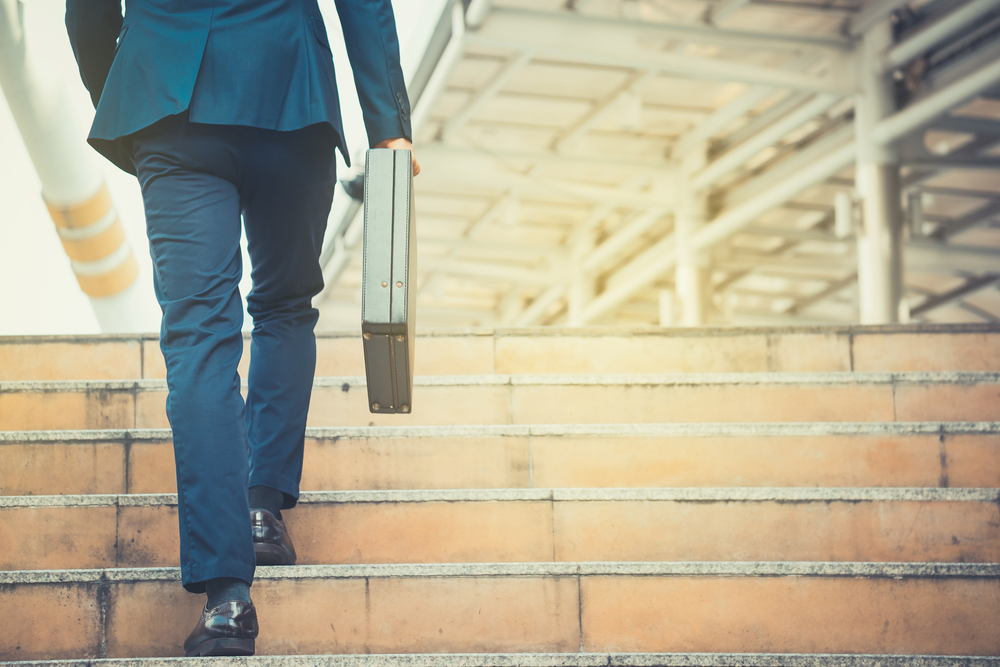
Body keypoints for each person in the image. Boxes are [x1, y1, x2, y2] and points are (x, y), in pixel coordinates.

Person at [65, 0, 419, 657]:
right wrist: (388, 125)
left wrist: (121, 87)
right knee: (285, 305)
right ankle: (261, 510)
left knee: (198, 336)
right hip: (290, 87)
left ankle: (227, 597)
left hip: (168, 99)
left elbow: (86, 8)